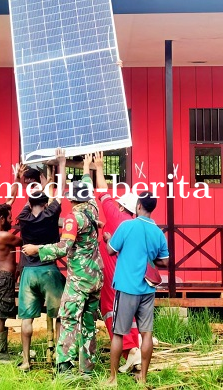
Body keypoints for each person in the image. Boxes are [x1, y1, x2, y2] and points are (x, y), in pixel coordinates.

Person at [22, 153, 103, 376]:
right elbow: (88, 188)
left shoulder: (72, 218)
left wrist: (38, 250)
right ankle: (87, 369)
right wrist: (87, 168)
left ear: (71, 199)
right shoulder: (93, 209)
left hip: (79, 279)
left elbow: (63, 247)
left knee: (68, 319)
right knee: (88, 323)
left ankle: (64, 367)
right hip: (96, 277)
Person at [103, 191, 169, 386]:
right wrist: (149, 258)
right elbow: (164, 261)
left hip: (125, 287)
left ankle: (113, 378)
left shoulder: (127, 226)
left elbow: (110, 250)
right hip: (148, 289)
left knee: (118, 333)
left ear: (138, 206)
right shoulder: (157, 231)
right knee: (146, 333)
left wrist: (108, 238)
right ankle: (143, 378)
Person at [9, 151, 67, 371]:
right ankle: (60, 357)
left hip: (29, 274)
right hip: (49, 271)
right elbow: (58, 194)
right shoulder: (51, 214)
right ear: (45, 202)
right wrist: (60, 165)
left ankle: (25, 361)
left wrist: (32, 186)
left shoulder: (23, 217)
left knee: (27, 319)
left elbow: (28, 201)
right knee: (59, 314)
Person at [91, 152, 142, 372]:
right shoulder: (135, 223)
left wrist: (99, 168)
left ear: (121, 207)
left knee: (111, 310)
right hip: (133, 275)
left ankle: (130, 351)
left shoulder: (116, 214)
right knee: (128, 313)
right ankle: (135, 348)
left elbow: (103, 194)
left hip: (113, 273)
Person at [0, 203, 22, 362]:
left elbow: (6, 204)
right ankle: (0, 354)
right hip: (5, 278)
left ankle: (2, 351)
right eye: (10, 217)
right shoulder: (4, 236)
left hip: (2, 277)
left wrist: (16, 183)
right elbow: (22, 241)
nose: (12, 220)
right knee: (0, 316)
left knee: (1, 315)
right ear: (2, 219)